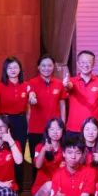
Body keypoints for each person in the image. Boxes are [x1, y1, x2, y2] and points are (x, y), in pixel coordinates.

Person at [25, 55, 67, 184]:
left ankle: (57, 185)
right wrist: (31, 98)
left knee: (56, 160)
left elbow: (62, 105)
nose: (46, 68)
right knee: (37, 161)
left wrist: (63, 124)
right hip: (36, 129)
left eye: (49, 65)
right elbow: (29, 99)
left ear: (53, 67)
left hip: (55, 130)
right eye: (43, 65)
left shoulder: (59, 83)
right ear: (38, 67)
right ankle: (36, 188)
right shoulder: (30, 83)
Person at [0, 57, 30, 185]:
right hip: (5, 123)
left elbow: (30, 102)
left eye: (15, 67)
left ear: (20, 69)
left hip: (21, 121)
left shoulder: (26, 85)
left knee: (19, 152)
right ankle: (3, 185)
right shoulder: (0, 85)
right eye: (9, 68)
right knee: (5, 153)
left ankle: (18, 187)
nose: (13, 70)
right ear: (5, 70)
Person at [64, 50, 98, 143]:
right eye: (82, 62)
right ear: (78, 64)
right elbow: (69, 87)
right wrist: (66, 84)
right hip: (74, 128)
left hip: (94, 129)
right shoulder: (72, 81)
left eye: (89, 62)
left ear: (93, 64)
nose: (85, 65)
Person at [32, 117, 66, 196]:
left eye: (58, 129)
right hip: (42, 190)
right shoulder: (39, 147)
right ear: (47, 131)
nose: (55, 132)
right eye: (52, 129)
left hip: (60, 189)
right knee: (49, 185)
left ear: (63, 131)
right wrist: (44, 150)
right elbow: (38, 165)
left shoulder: (66, 149)